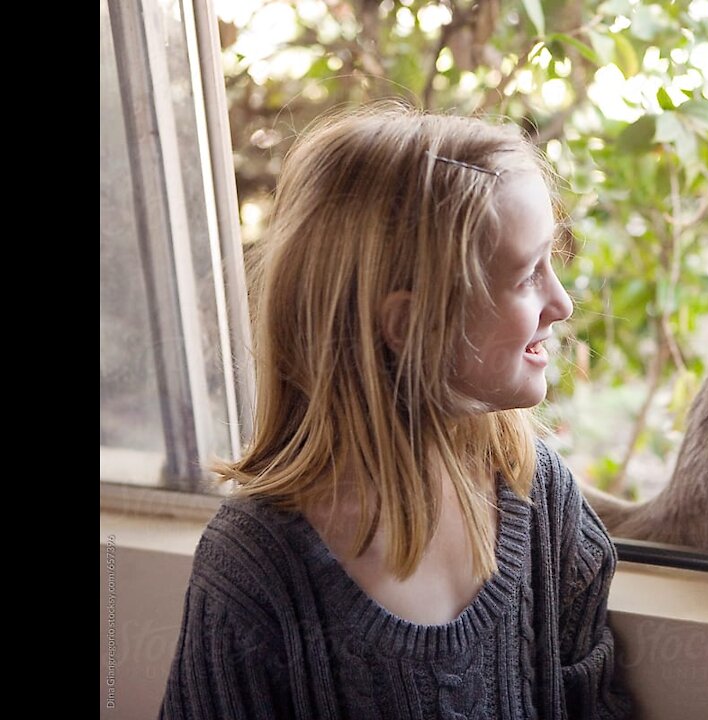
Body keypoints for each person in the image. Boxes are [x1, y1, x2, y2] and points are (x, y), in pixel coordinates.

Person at [160, 102, 633, 719]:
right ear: (410, 327)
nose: (562, 303)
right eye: (525, 276)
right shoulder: (257, 572)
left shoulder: (541, 500)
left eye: (553, 263)